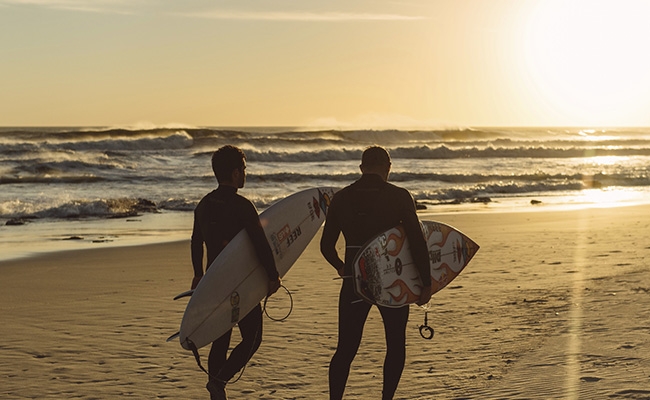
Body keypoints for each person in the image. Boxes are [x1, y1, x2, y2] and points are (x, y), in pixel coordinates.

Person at [320, 146, 432, 400]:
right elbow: (416, 241)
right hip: (392, 280)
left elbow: (326, 246)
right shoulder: (400, 196)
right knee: (395, 344)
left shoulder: (341, 198)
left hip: (354, 283)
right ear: (388, 168)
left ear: (361, 168)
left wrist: (341, 266)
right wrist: (426, 283)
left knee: (345, 349)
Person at [191, 145, 281, 400]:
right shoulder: (242, 206)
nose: (244, 174)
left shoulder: (204, 205)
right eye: (243, 169)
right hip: (240, 284)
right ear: (234, 174)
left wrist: (198, 274)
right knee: (252, 338)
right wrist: (273, 275)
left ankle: (215, 391)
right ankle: (219, 382)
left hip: (213, 282)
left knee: (221, 340)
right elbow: (259, 242)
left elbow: (195, 241)